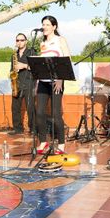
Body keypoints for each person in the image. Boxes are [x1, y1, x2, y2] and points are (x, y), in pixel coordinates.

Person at [35, 16, 71, 155]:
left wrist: (61, 79)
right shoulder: (42, 43)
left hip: (57, 81)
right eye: (43, 24)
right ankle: (43, 141)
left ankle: (61, 144)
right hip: (43, 82)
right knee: (39, 112)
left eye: (47, 24)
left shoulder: (60, 40)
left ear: (54, 27)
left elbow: (66, 59)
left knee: (56, 114)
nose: (44, 27)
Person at [8, 33, 35, 135]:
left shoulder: (31, 52)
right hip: (17, 83)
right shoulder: (14, 55)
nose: (19, 42)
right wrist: (12, 75)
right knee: (15, 108)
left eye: (22, 40)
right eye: (17, 40)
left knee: (30, 108)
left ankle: (33, 129)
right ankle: (18, 129)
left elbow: (35, 67)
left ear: (26, 41)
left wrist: (23, 66)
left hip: (28, 82)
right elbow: (12, 70)